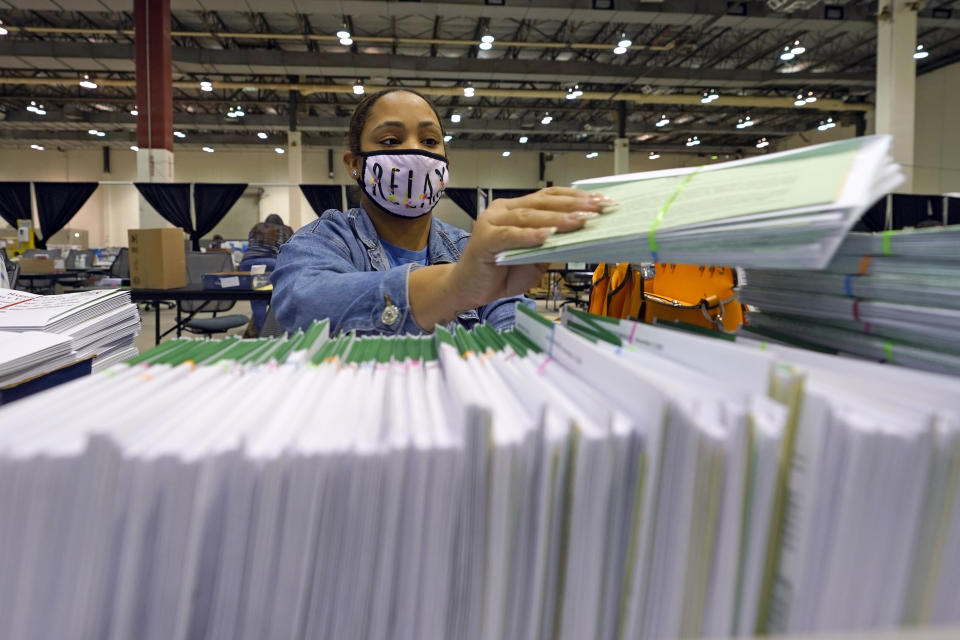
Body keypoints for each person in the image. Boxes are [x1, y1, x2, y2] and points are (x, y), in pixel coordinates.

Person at [270, 88, 610, 336]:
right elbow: (301, 304)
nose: (416, 152)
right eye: (390, 141)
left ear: (445, 166)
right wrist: (456, 285)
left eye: (430, 141)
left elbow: (514, 327)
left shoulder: (468, 247)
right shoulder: (326, 239)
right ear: (355, 164)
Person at [240, 213, 294, 333]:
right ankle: (274, 331)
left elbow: (251, 245)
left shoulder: (256, 228)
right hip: (272, 263)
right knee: (278, 296)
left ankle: (261, 331)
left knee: (257, 298)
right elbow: (289, 249)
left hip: (249, 263)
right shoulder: (286, 230)